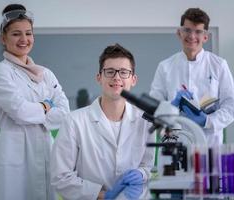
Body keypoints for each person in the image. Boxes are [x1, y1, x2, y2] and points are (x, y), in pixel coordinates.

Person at [50, 43, 155, 200]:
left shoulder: (145, 121)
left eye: (124, 72)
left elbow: (150, 168)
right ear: (99, 77)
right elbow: (60, 176)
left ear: (133, 79)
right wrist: (102, 195)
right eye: (110, 71)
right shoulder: (74, 121)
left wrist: (141, 174)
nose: (117, 77)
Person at [0, 4, 70, 200]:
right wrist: (46, 106)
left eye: (28, 33)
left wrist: (35, 112)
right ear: (3, 38)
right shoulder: (0, 71)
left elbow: (64, 112)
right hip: (13, 161)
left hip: (44, 157)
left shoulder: (45, 74)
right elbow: (20, 111)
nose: (24, 40)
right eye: (16, 34)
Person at [150, 8, 234, 144]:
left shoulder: (219, 65)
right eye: (187, 30)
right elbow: (154, 106)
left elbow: (231, 106)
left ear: (205, 36)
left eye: (198, 31)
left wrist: (208, 121)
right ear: (179, 33)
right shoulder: (165, 67)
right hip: (175, 144)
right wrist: (171, 105)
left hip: (209, 145)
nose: (192, 36)